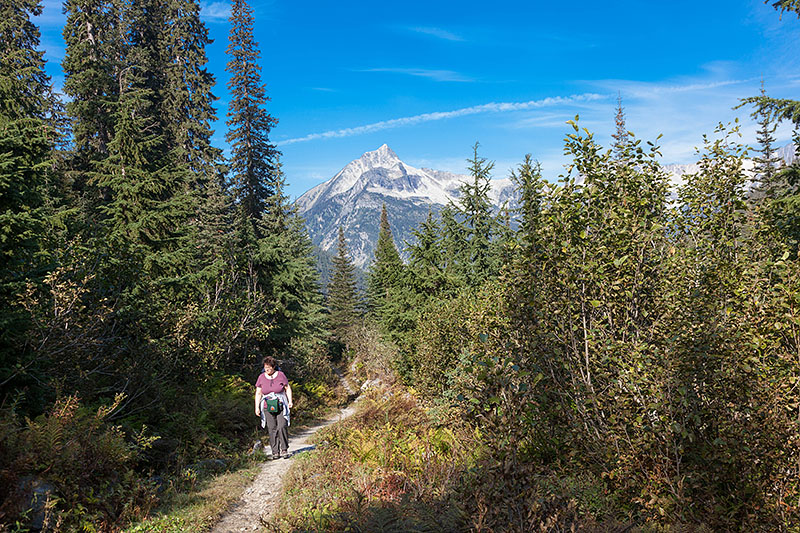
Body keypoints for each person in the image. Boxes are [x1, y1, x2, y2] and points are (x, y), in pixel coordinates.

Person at [254, 355, 294, 459]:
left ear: (274, 366)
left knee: (281, 426)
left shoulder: (280, 375)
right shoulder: (261, 377)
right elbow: (258, 393)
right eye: (265, 367)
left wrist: (290, 401)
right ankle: (275, 451)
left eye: (269, 368)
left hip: (280, 404)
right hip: (267, 406)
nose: (267, 370)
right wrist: (257, 407)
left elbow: (287, 388)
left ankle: (284, 449)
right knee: (272, 428)